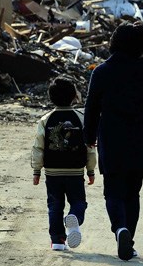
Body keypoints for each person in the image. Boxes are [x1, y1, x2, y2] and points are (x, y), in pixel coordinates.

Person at [83, 21, 143, 261]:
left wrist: (89, 137)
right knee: (132, 192)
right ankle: (129, 241)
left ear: (114, 42)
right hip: (142, 137)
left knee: (113, 191)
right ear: (139, 45)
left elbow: (91, 107)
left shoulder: (101, 71)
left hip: (112, 138)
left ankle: (120, 230)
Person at [32, 75, 97, 251]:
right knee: (79, 202)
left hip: (52, 172)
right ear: (74, 96)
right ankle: (74, 217)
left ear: (50, 97)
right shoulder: (81, 119)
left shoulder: (45, 120)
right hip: (75, 171)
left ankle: (58, 241)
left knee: (54, 206)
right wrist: (91, 170)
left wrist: (36, 171)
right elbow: (90, 147)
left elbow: (38, 147)